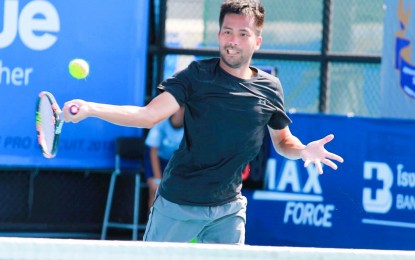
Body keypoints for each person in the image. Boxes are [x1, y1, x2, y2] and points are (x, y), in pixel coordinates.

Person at [63, 0, 344, 245]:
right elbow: (147, 115)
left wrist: (303, 150)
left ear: (257, 41)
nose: (232, 40)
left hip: (228, 209)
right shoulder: (196, 76)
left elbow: (283, 141)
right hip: (177, 204)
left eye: (242, 33)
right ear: (219, 35)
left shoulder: (270, 88)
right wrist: (90, 108)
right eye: (227, 32)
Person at [144, 107, 184, 209]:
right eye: (180, 108)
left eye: (185, 109)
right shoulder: (161, 123)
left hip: (175, 164)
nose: (182, 112)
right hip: (157, 161)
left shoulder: (190, 126)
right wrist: (157, 178)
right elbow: (153, 152)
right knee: (155, 192)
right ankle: (150, 223)